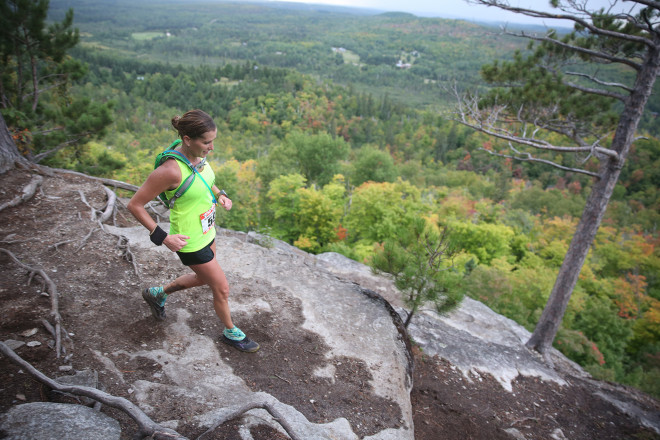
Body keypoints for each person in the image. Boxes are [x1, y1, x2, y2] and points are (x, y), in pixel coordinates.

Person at [127, 109, 259, 353]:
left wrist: (219, 194)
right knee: (221, 287)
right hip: (189, 241)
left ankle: (158, 294)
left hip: (207, 231)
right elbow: (134, 205)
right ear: (188, 140)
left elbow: (203, 179)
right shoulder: (169, 170)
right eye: (207, 142)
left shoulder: (195, 154)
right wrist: (163, 236)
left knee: (203, 278)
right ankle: (231, 332)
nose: (211, 148)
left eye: (212, 141)